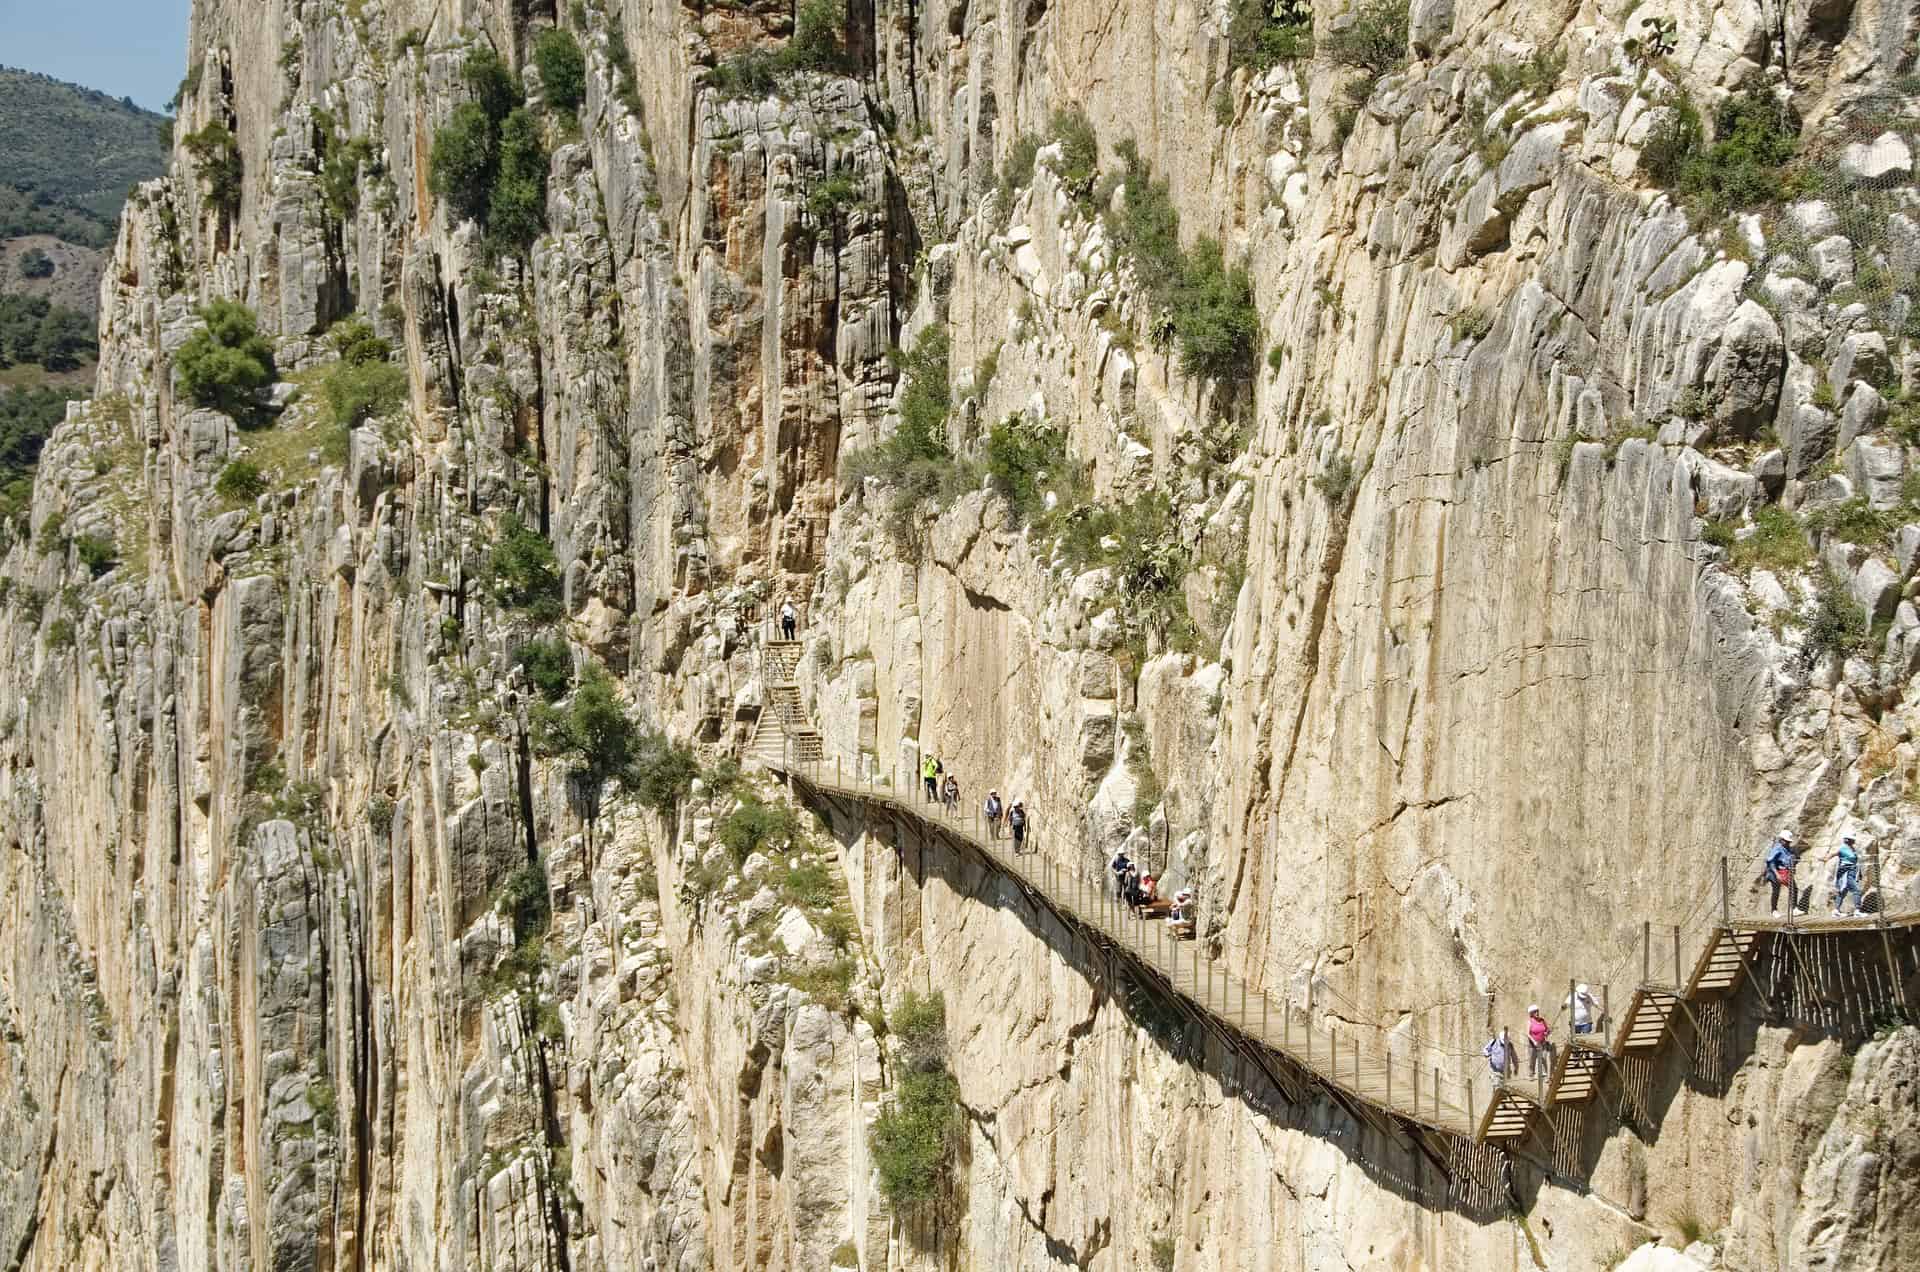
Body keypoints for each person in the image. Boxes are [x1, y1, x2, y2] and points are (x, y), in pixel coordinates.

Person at [1764, 834, 1806, 918]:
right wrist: (1777, 874)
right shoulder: (1777, 848)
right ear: (1782, 840)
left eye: (1789, 842)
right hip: (1775, 872)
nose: (1788, 843)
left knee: (1793, 888)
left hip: (1785, 871)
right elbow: (1771, 862)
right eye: (1787, 841)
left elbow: (1792, 858)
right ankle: (1774, 910)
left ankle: (1793, 909)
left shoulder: (1787, 848)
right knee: (1776, 890)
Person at [1832, 835, 1865, 917]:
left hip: (1852, 871)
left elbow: (1856, 861)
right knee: (1856, 890)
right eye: (1852, 840)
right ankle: (1857, 911)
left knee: (1843, 891)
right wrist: (1825, 858)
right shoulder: (1843, 848)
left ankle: (1836, 910)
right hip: (1847, 872)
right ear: (1848, 840)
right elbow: (1834, 853)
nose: (1854, 841)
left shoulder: (1851, 849)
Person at [1526, 1005, 1552, 1080]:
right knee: (1532, 1059)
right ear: (1531, 1013)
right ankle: (1531, 1074)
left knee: (1543, 1058)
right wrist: (1534, 1041)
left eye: (1537, 1011)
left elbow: (1546, 1030)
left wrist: (1547, 1033)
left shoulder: (1542, 1020)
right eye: (1535, 1012)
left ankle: (1544, 1075)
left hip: (1542, 1043)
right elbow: (1528, 1033)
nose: (1537, 1013)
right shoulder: (1530, 1021)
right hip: (1532, 1044)